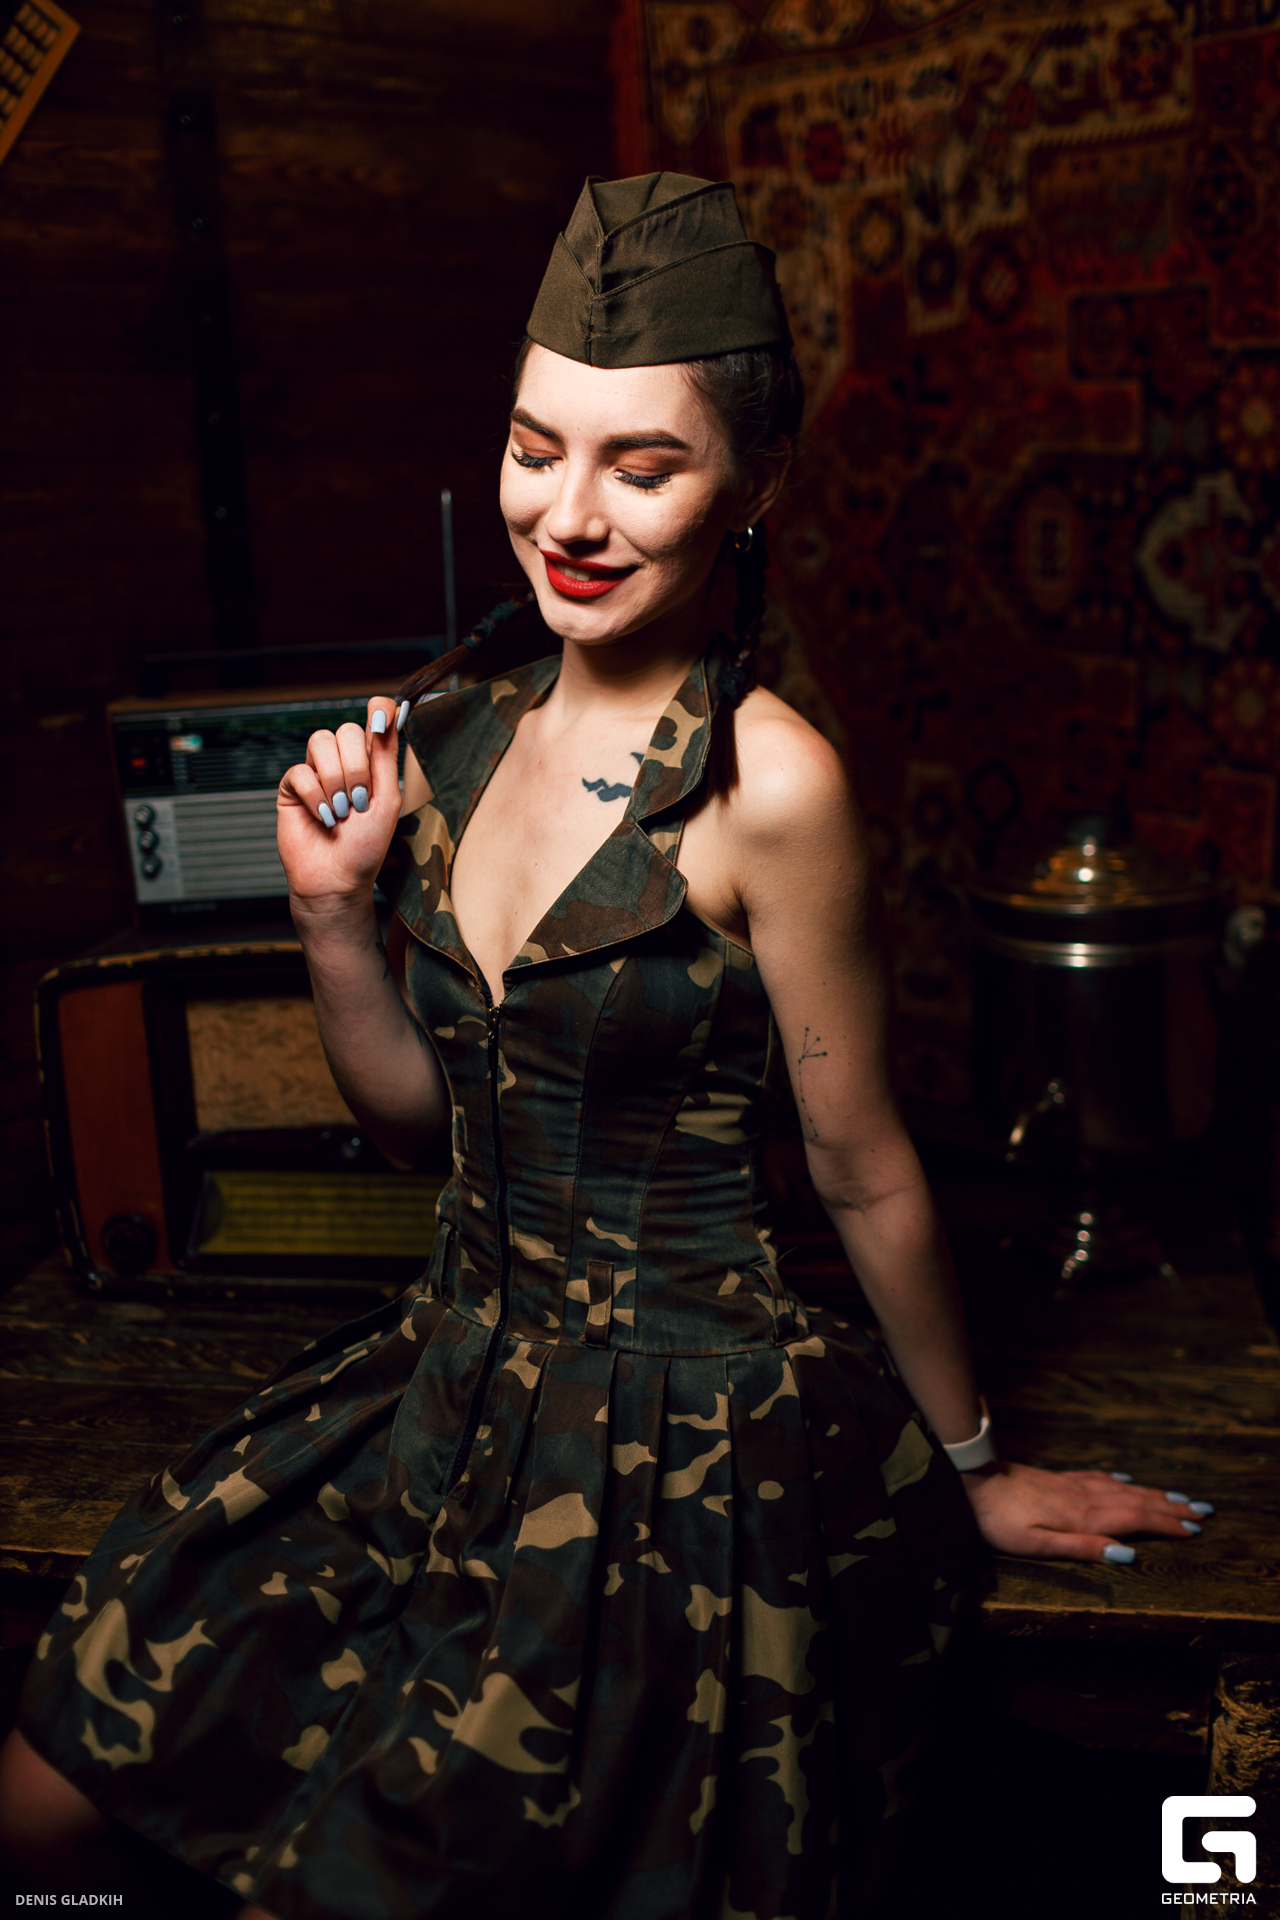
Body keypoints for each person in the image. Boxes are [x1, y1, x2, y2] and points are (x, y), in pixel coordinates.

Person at [0, 172, 1214, 1920]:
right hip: (440, 1381)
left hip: (675, 1439)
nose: (567, 515)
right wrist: (333, 918)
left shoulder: (767, 785)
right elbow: (417, 1126)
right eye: (533, 448)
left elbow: (862, 1162)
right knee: (50, 1787)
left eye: (642, 468)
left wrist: (974, 1469)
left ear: (757, 484)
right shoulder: (446, 733)